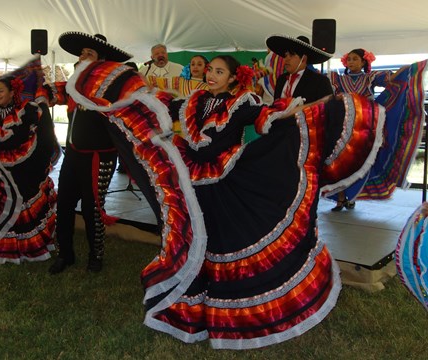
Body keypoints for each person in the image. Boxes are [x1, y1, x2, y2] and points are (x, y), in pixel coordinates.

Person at [61, 50, 385, 348]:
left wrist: (301, 111)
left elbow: (265, 116)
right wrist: (131, 98)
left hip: (226, 177)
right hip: (191, 177)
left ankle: (224, 307)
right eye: (210, 70)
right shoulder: (193, 101)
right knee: (192, 239)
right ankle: (193, 300)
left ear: (232, 78)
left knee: (222, 240)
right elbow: (162, 107)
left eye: (219, 71)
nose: (212, 75)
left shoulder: (242, 102)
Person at [48, 31, 132, 274]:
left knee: (93, 209)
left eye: (89, 53)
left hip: (99, 157)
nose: (83, 55)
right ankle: (65, 254)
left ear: (101, 60)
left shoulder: (111, 87)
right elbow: (53, 93)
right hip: (73, 155)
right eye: (82, 52)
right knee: (63, 205)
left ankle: (96, 256)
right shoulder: (74, 83)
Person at [325, 49, 427, 211]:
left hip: (365, 128)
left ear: (364, 62)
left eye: (355, 59)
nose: (351, 62)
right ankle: (340, 198)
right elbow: (319, 80)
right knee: (340, 163)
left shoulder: (369, 78)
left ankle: (350, 197)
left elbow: (392, 79)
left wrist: (409, 69)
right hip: (342, 127)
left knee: (358, 164)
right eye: (348, 59)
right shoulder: (337, 79)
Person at [0, 72, 61, 263]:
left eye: (0, 91)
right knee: (0, 205)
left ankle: (28, 247)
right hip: (0, 170)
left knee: (23, 206)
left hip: (24, 170)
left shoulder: (27, 111)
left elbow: (40, 137)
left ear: (11, 92)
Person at [268, 35, 333, 104]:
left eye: (291, 55)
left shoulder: (320, 81)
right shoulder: (281, 80)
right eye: (285, 55)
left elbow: (328, 109)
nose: (286, 59)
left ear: (303, 59)